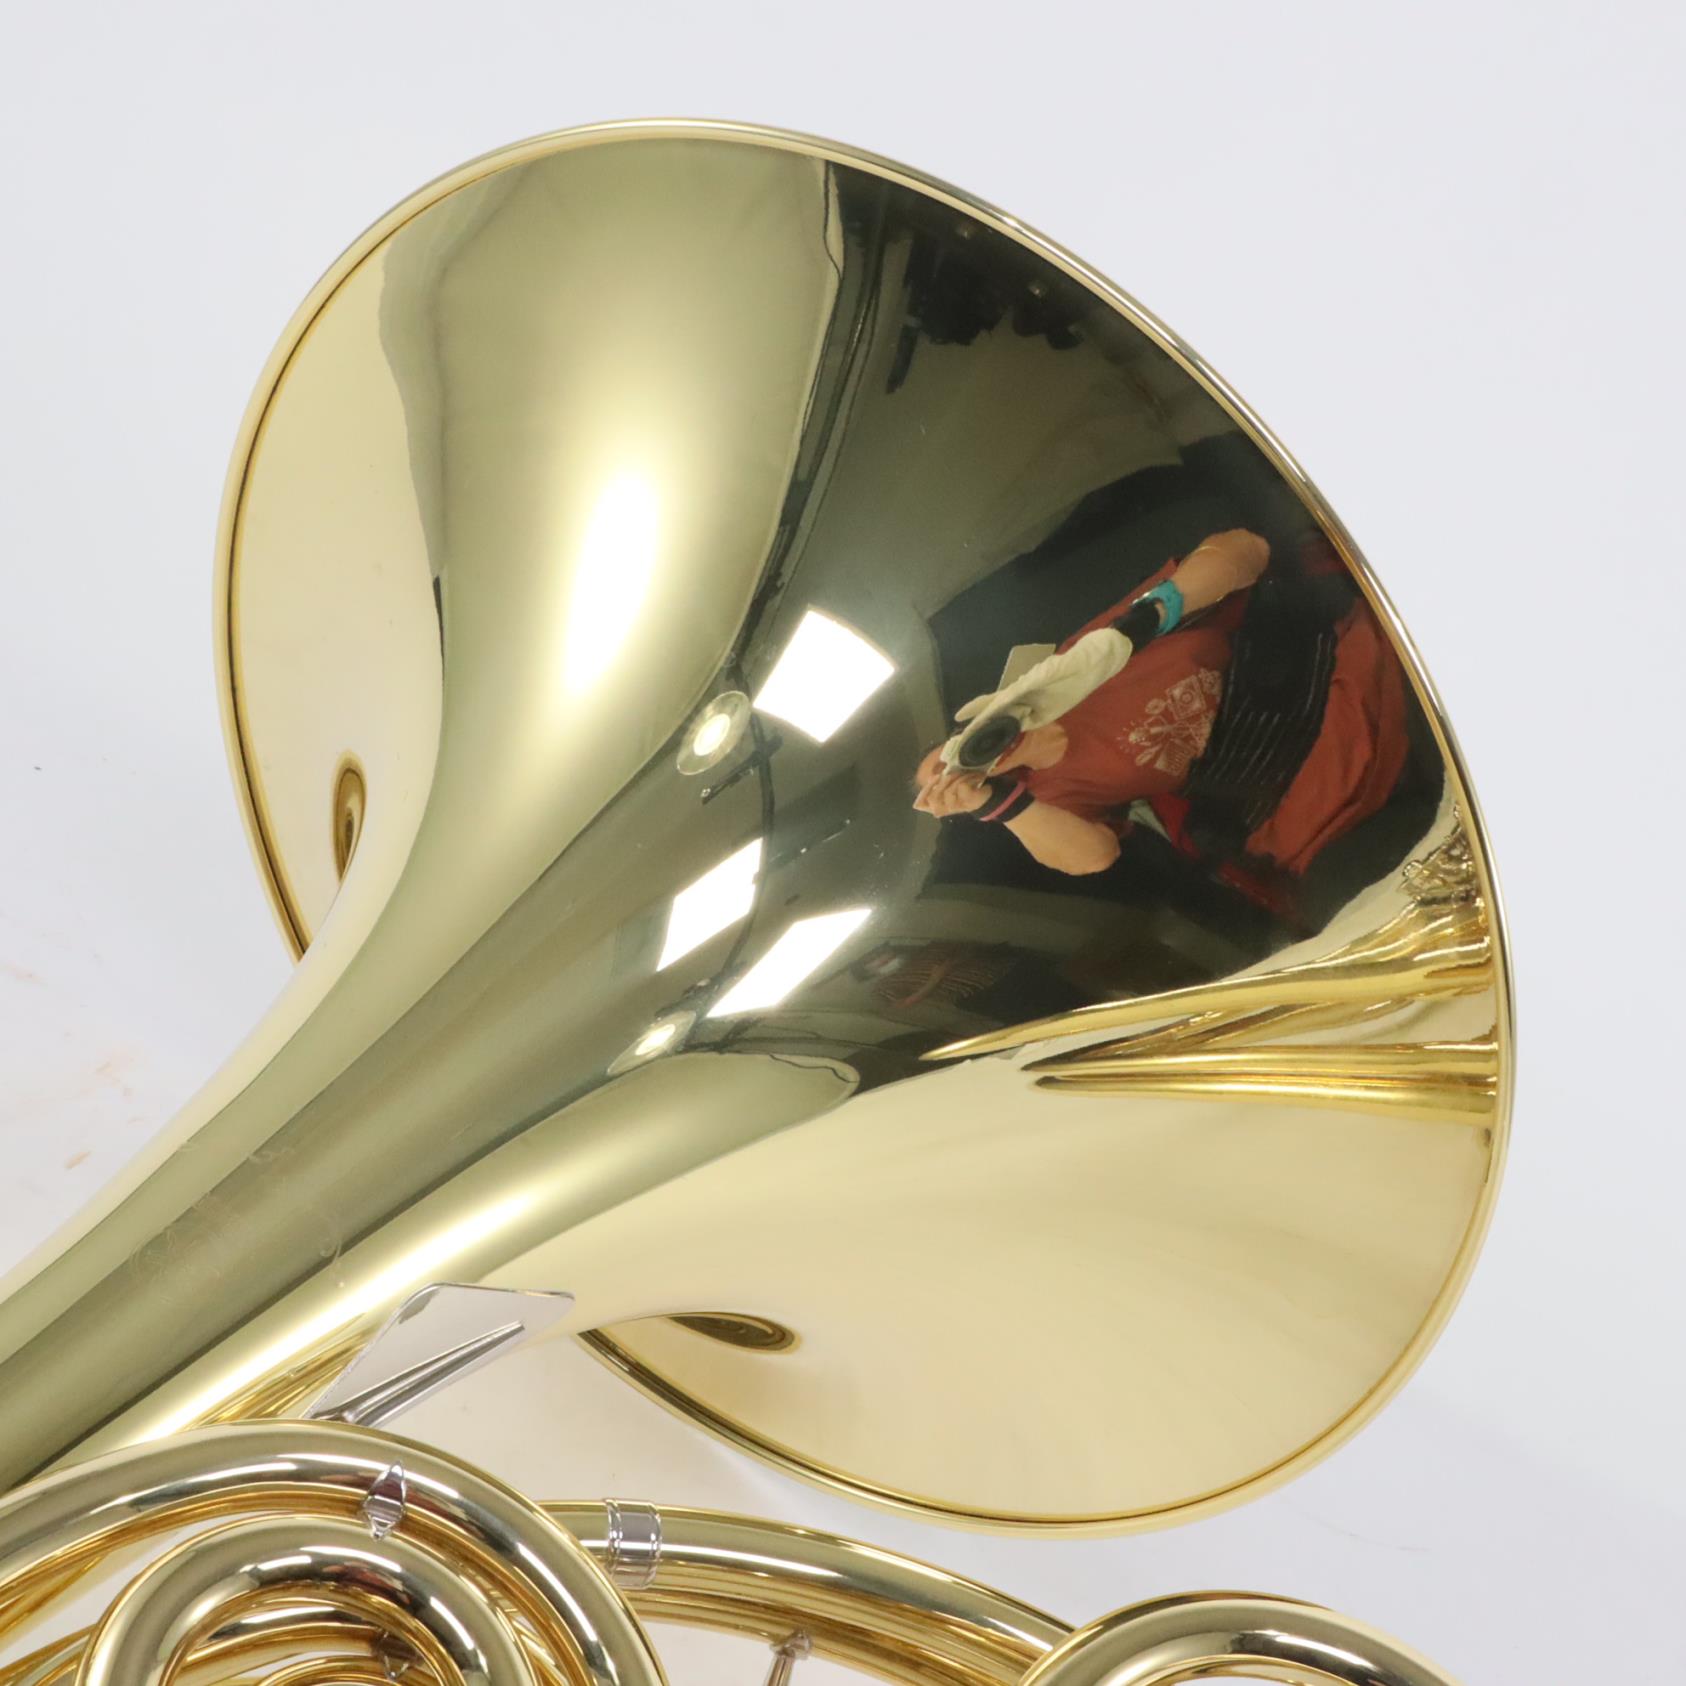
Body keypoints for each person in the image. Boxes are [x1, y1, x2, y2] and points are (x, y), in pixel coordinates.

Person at [912, 529, 1410, 899]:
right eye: (959, 775)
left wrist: (1149, 617)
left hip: (1328, 662)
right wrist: (997, 804)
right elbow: (1094, 857)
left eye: (961, 747)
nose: (978, 758)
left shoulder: (1070, 669)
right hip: (1304, 766)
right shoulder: (1049, 800)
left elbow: (1245, 550)